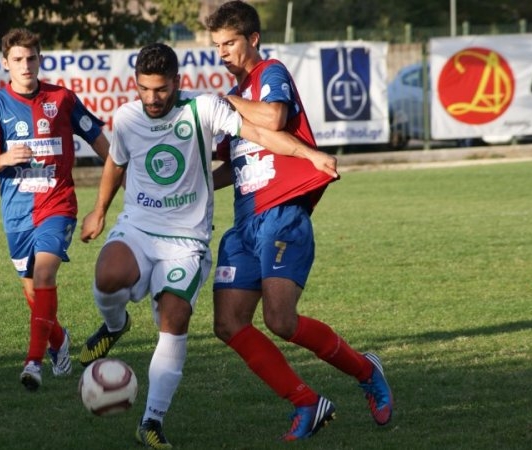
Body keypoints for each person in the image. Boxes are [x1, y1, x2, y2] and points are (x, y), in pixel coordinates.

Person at [77, 42, 336, 449]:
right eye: (144, 89)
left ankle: (151, 422)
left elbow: (261, 133)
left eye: (160, 90)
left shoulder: (203, 109)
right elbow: (116, 162)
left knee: (174, 316)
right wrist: (99, 210)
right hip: (139, 227)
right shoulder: (127, 117)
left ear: (177, 83)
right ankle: (115, 325)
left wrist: (308, 153)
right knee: (108, 276)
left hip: (186, 240)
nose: (152, 98)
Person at [205, 0, 394, 441]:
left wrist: (225, 102)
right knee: (228, 323)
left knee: (280, 320)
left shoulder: (269, 74)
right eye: (217, 46)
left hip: (282, 215)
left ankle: (367, 371)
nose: (223, 53)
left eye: (229, 43)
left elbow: (275, 117)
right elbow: (234, 165)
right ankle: (306, 402)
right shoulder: (236, 99)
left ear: (252, 39)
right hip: (244, 224)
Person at [0, 28, 110, 391]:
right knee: (33, 294)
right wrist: (2, 157)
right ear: (6, 64)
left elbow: (101, 142)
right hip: (16, 213)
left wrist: (117, 181)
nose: (25, 65)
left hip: (57, 204)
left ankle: (33, 362)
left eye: (31, 58)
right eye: (17, 59)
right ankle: (59, 341)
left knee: (45, 276)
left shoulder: (61, 99)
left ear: (39, 59)